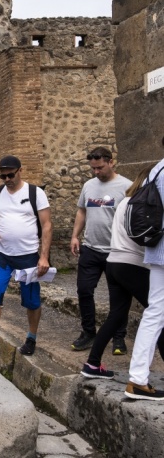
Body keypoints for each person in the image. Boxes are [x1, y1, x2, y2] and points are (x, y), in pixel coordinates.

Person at [82, 165, 164, 385]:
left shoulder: (124, 203)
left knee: (117, 315)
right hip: (132, 264)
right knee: (158, 314)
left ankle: (92, 363)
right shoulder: (145, 205)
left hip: (114, 263)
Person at [0, 155, 52, 359]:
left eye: (10, 175)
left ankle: (31, 337)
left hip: (27, 257)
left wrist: (44, 257)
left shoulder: (35, 193)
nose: (6, 179)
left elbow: (47, 225)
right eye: (2, 175)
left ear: (20, 170)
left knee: (31, 301)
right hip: (1, 255)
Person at [70, 147, 131, 353]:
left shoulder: (127, 187)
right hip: (90, 248)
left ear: (111, 162)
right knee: (84, 291)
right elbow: (82, 210)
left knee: (118, 297)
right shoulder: (88, 185)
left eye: (100, 167)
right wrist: (75, 236)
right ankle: (88, 332)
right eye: (93, 168)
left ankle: (119, 338)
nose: (96, 172)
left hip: (117, 251)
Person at [126, 146, 164, 401]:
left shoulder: (156, 169)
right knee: (156, 313)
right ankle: (138, 379)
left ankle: (138, 379)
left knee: (155, 312)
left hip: (157, 250)